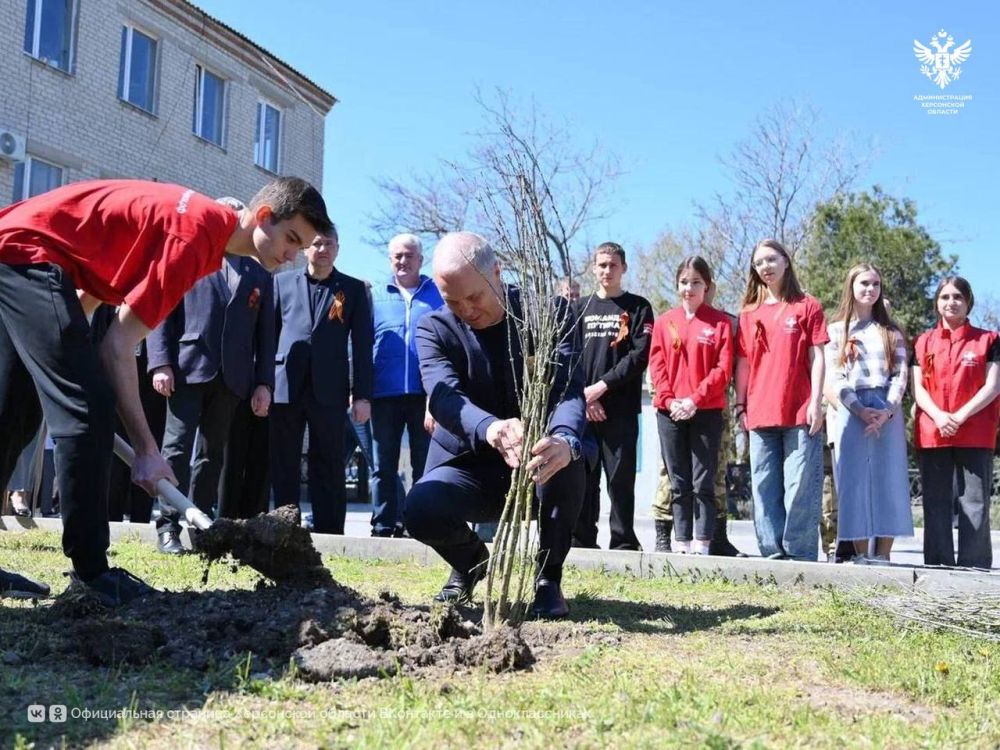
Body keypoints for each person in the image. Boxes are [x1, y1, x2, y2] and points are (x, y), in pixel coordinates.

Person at [0, 177, 331, 603]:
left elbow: (88, 295)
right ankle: (92, 574)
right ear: (264, 216)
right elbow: (116, 348)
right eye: (291, 240)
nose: (291, 257)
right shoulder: (194, 237)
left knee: (14, 411)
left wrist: (60, 358)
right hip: (26, 254)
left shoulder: (203, 231)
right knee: (88, 408)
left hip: (21, 255)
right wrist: (146, 450)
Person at [404, 232, 586, 619]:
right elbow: (444, 396)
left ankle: (548, 579)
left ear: (497, 273)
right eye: (453, 301)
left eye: (474, 297)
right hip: (467, 464)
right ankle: (470, 562)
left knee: (569, 458)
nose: (466, 310)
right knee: (419, 508)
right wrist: (490, 428)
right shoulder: (433, 328)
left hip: (534, 461)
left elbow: (568, 389)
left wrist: (563, 438)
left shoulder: (548, 315)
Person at [147, 211, 276, 553]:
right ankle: (168, 526)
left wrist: (264, 383)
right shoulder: (190, 259)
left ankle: (200, 526)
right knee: (176, 448)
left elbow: (266, 337)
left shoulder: (260, 275)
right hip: (187, 369)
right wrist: (160, 362)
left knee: (212, 454)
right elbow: (162, 310)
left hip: (232, 378)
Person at [270, 228, 373, 534]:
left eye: (329, 244)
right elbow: (267, 336)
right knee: (284, 460)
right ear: (305, 249)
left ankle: (330, 532)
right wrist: (263, 383)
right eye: (316, 243)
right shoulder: (281, 283)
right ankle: (283, 529)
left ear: (338, 249)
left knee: (328, 461)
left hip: (330, 389)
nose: (323, 249)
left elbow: (363, 345)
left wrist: (362, 394)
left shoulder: (353, 289)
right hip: (286, 386)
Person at [734, 238, 828, 561]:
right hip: (759, 412)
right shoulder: (749, 314)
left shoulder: (807, 306)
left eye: (771, 260)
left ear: (786, 261)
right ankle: (772, 556)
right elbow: (744, 364)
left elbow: (818, 357)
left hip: (799, 411)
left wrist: (816, 402)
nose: (765, 267)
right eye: (759, 263)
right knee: (764, 487)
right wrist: (740, 406)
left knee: (799, 486)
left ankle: (800, 556)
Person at [824, 264, 912, 564]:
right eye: (864, 283)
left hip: (887, 408)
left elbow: (900, 375)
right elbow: (836, 376)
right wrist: (859, 410)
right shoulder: (837, 330)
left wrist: (886, 411)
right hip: (853, 409)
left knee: (889, 479)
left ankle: (883, 554)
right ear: (851, 286)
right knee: (854, 482)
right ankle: (861, 553)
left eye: (875, 284)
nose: (870, 289)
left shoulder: (891, 331)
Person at [912, 276, 999, 569]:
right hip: (933, 432)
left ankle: (974, 569)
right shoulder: (922, 341)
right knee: (935, 503)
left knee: (974, 503)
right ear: (937, 303)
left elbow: (993, 386)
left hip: (975, 433)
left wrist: (959, 416)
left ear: (968, 302)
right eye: (945, 297)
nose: (951, 302)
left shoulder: (989, 340)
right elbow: (917, 388)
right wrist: (939, 416)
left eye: (958, 297)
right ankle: (938, 567)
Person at [571, 242, 653, 551]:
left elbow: (638, 356)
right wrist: (586, 398)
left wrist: (601, 387)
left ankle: (623, 541)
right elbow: (569, 357)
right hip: (583, 410)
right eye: (602, 265)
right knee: (584, 477)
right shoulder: (579, 309)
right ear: (594, 268)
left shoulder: (638, 307)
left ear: (624, 268)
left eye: (613, 265)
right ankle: (581, 540)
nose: (607, 270)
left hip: (620, 410)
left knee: (620, 479)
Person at [649, 257, 733, 554]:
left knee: (703, 481)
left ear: (706, 286)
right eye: (684, 282)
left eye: (696, 282)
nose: (689, 288)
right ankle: (682, 542)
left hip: (706, 411)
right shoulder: (664, 321)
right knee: (678, 480)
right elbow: (657, 365)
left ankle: (703, 543)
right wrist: (671, 400)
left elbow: (722, 369)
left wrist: (694, 400)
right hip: (669, 411)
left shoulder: (720, 322)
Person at [369, 233, 443, 537]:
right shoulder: (375, 296)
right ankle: (383, 525)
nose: (403, 261)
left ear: (420, 260)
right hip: (383, 394)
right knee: (382, 465)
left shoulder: (437, 296)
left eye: (409, 255)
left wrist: (438, 396)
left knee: (423, 463)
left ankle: (419, 523)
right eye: (398, 256)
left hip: (425, 396)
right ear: (390, 260)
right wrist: (358, 390)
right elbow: (360, 344)